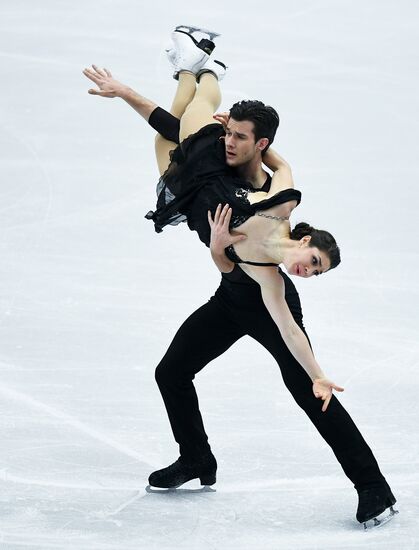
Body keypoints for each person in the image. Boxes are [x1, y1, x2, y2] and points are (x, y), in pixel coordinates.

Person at [82, 26, 397, 527]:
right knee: (171, 371)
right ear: (306, 239)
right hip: (230, 295)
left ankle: (374, 488)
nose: (307, 271)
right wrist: (223, 243)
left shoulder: (275, 275)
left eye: (314, 273)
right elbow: (279, 165)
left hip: (255, 299)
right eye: (312, 261)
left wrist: (318, 373)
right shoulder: (275, 199)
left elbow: (287, 325)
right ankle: (197, 459)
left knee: (309, 395)